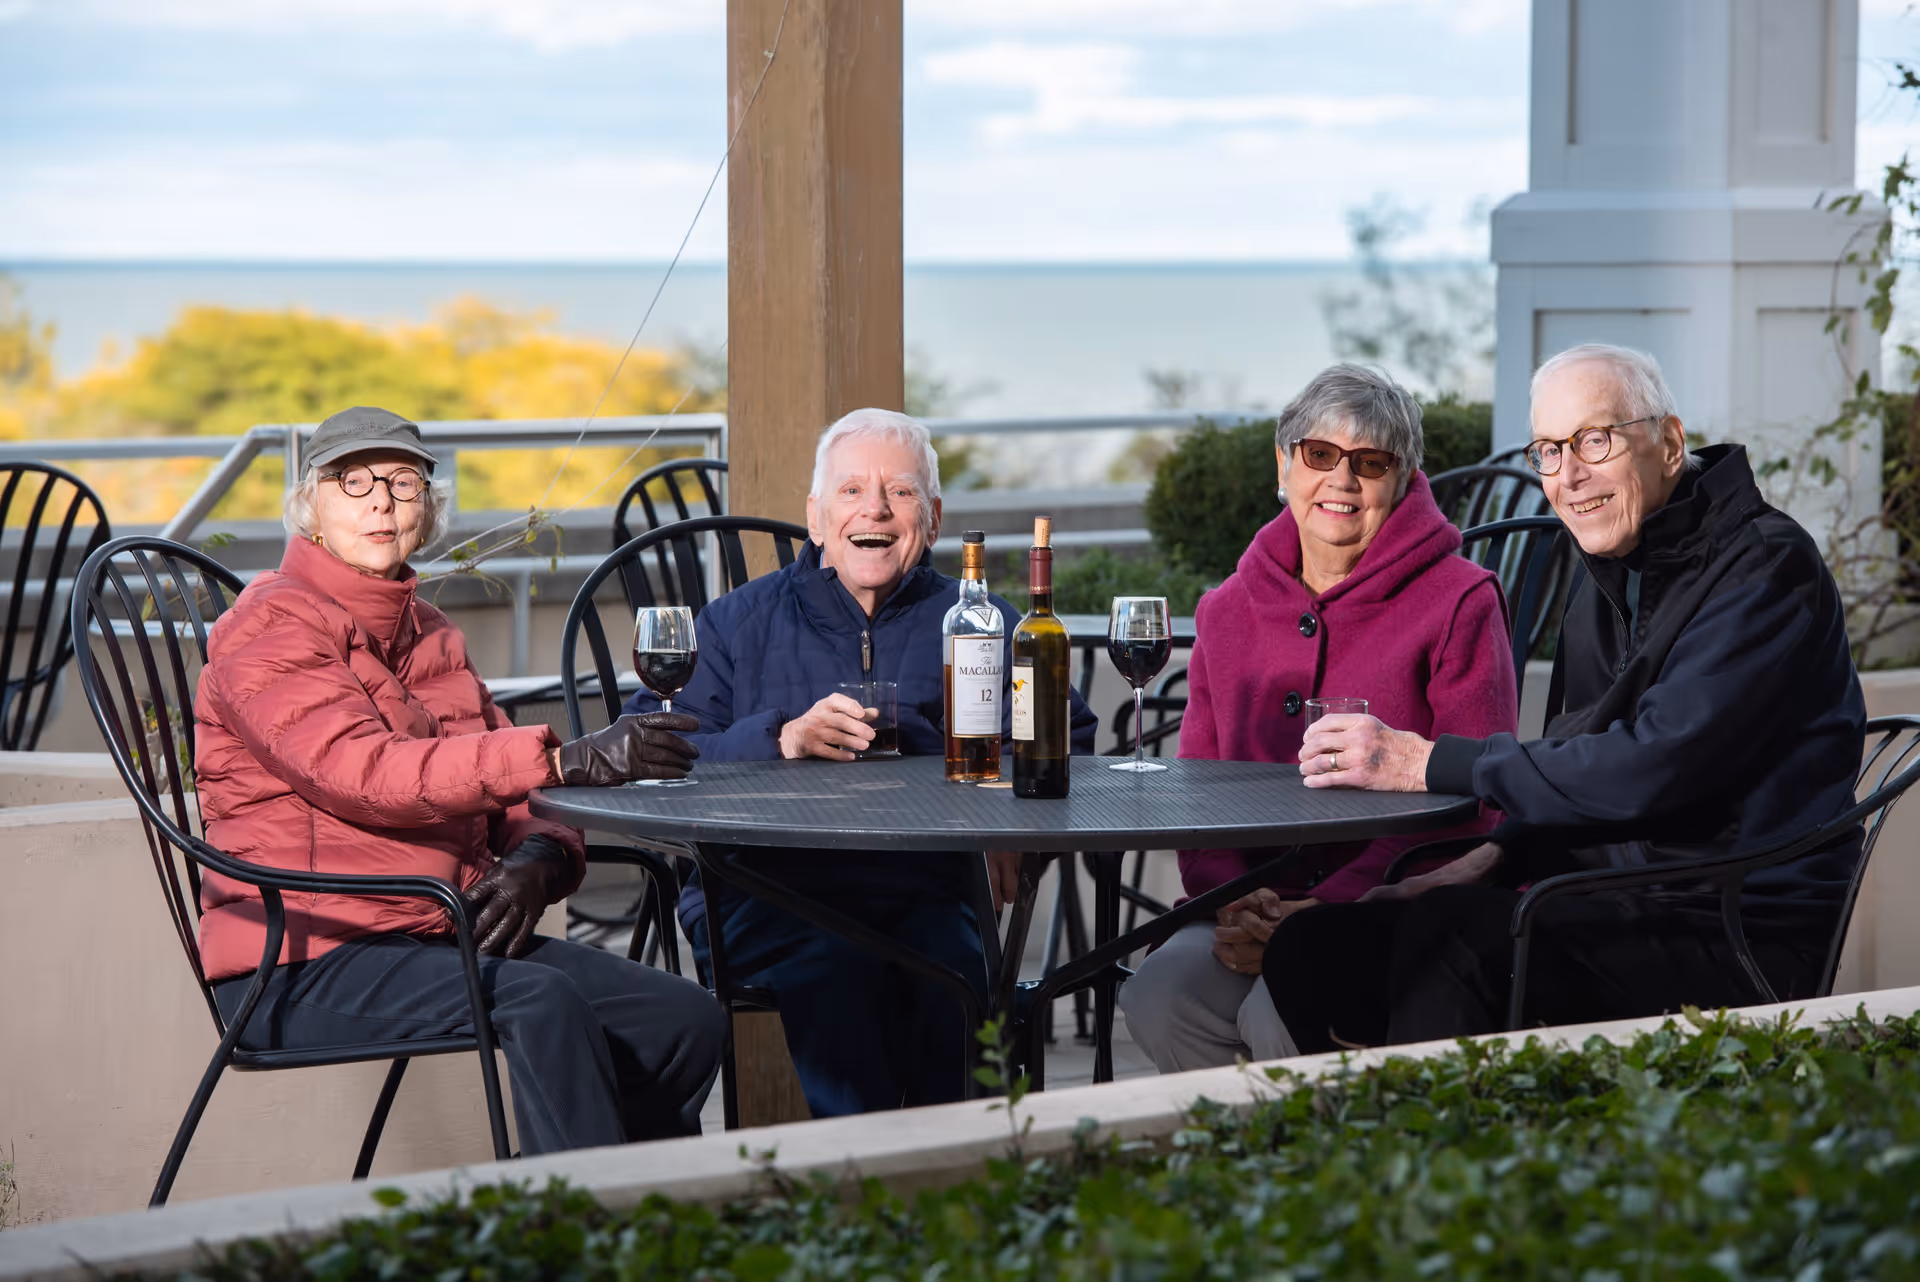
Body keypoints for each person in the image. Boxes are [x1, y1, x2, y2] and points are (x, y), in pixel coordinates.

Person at [1273, 343, 1867, 1049]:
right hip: (1610, 906)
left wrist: (1426, 763)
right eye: (1548, 452)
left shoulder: (1765, 568)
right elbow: (1574, 759)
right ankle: (1389, 1142)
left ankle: (1456, 1152)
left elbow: (1649, 769)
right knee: (1312, 946)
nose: (1570, 476)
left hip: (1734, 934)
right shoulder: (1607, 568)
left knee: (1453, 945)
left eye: (1594, 441)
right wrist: (1485, 863)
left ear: (1669, 443)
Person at [195, 405, 726, 1155]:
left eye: (403, 481)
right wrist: (566, 758)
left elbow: (506, 786)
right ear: (309, 506)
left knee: (680, 1019)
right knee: (542, 1001)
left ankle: (637, 1219)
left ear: (427, 510)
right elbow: (363, 773)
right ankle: (573, 1241)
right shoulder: (269, 625)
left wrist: (539, 862)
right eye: (353, 481)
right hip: (303, 954)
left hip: (435, 930)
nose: (380, 498)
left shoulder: (432, 634)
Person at [624, 408, 1097, 1118]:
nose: (875, 508)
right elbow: (644, 745)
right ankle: (862, 1195)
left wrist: (1010, 824)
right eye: (851, 491)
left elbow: (1066, 741)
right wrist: (778, 738)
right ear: (816, 518)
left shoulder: (981, 623)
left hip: (926, 888)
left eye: (900, 493)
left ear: (932, 519)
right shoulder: (733, 623)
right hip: (764, 893)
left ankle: (969, 1190)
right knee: (842, 969)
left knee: (962, 986)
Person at [1117, 364, 1518, 1072]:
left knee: (1288, 1006)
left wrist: (1331, 909)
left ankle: (1321, 1176)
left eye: (1370, 463)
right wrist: (1238, 901)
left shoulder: (1462, 600)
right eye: (1320, 455)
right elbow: (1197, 786)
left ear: (1402, 480)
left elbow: (1476, 802)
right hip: (1244, 909)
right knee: (1159, 994)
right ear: (1284, 462)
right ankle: (1240, 1174)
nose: (1343, 480)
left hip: (1392, 904)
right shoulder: (1226, 609)